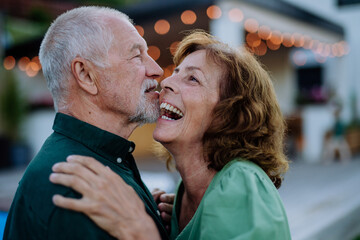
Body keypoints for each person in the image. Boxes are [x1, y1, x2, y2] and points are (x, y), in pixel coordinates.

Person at [49, 31, 292, 239]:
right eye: (175, 72)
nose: (166, 82)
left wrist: (139, 228)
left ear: (229, 114)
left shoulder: (242, 183)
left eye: (193, 79)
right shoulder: (183, 196)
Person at [3, 6, 172, 240]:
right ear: (85, 75)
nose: (156, 70)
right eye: (136, 56)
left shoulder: (102, 162)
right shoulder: (76, 189)